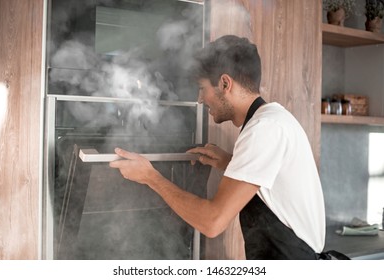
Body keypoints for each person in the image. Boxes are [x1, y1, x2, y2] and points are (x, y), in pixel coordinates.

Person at [109, 35, 326, 259]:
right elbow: (273, 189)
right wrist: (229, 162)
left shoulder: (264, 128)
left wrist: (150, 177)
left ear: (225, 83)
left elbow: (212, 222)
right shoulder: (271, 119)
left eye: (203, 89)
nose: (201, 99)